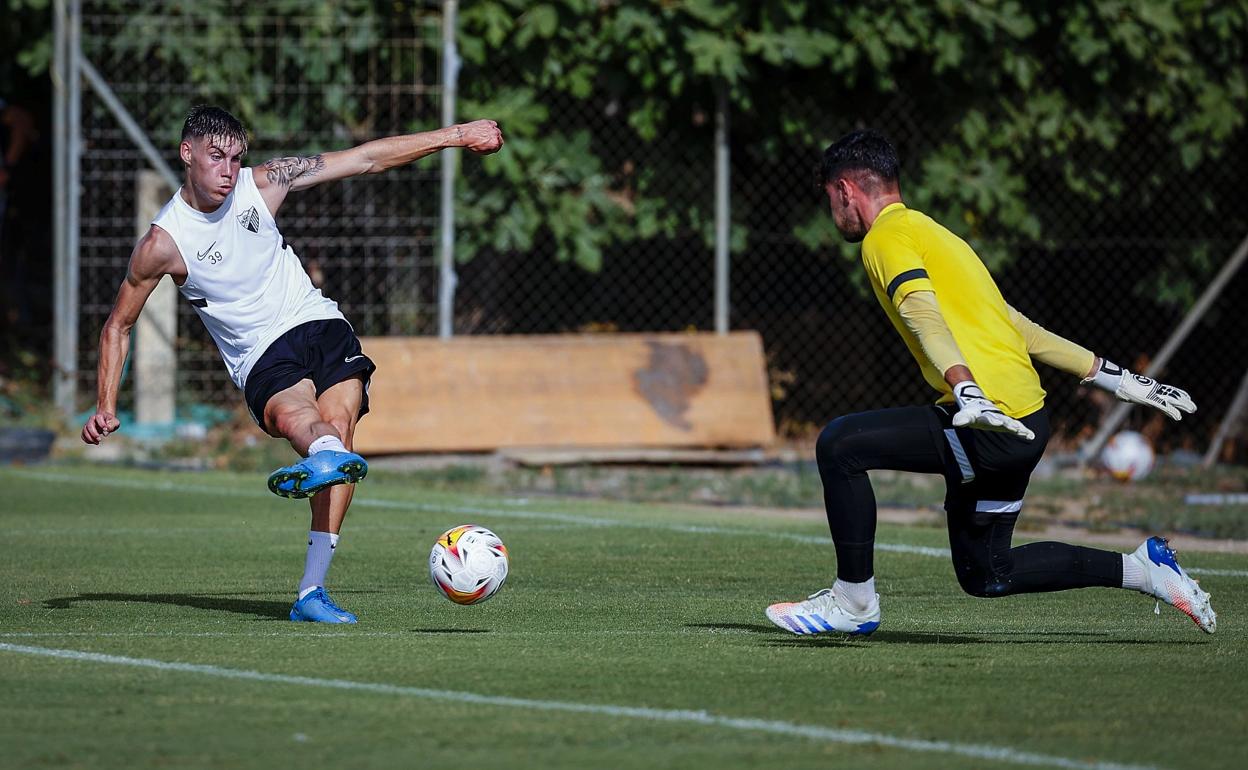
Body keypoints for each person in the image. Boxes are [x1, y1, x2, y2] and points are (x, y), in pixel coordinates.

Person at [765, 129, 1214, 637]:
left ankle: (853, 602)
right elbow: (1017, 325)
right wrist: (1118, 378)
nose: (832, 211)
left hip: (990, 420)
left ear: (845, 190)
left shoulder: (884, 238)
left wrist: (965, 388)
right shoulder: (940, 236)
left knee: (840, 444)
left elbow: (921, 312)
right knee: (988, 573)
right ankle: (1145, 570)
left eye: (829, 197)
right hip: (1026, 421)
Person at [82, 105, 504, 623]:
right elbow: (118, 325)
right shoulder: (162, 244)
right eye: (216, 157)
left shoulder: (264, 183)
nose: (227, 171)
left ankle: (311, 590)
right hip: (260, 354)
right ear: (186, 153)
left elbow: (365, 159)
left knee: (339, 435)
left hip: (317, 321)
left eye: (236, 158)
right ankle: (321, 466)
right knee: (307, 424)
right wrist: (105, 405)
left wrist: (457, 135)